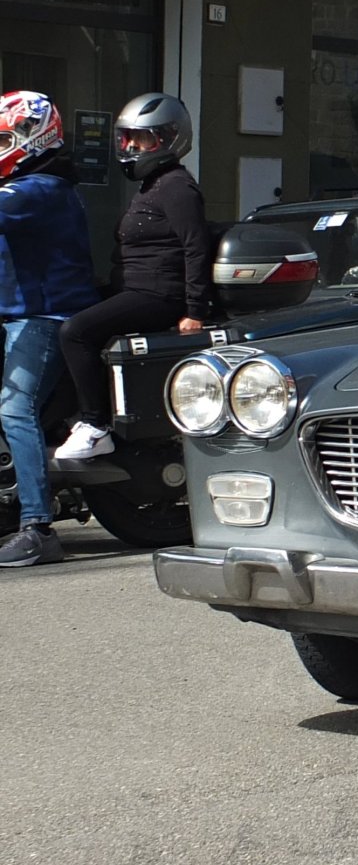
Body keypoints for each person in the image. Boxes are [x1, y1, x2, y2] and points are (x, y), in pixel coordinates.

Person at [55, 93, 211, 460]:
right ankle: (65, 415)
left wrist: (195, 311)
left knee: (75, 331)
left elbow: (196, 246)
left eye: (141, 139)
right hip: (134, 288)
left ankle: (95, 427)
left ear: (169, 139)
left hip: (158, 294)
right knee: (66, 312)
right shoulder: (152, 185)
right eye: (127, 138)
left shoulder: (176, 187)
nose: (130, 147)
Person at [0, 92, 98, 567]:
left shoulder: (40, 189)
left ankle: (37, 527)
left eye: (4, 140)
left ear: (33, 137)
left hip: (45, 316)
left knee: (14, 408)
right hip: (15, 314)